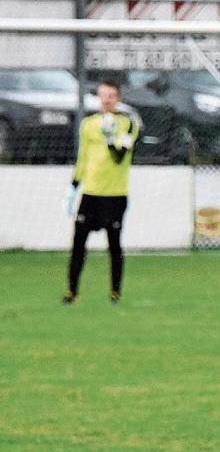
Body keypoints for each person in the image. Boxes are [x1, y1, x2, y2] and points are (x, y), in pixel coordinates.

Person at [63, 79, 139, 304]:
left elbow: (119, 157)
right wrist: (74, 185)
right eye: (103, 95)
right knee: (78, 243)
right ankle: (72, 292)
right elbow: (83, 157)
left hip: (115, 195)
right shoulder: (88, 124)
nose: (106, 100)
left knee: (114, 244)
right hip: (91, 194)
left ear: (118, 98)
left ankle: (115, 292)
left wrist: (108, 138)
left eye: (111, 96)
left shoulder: (128, 124)